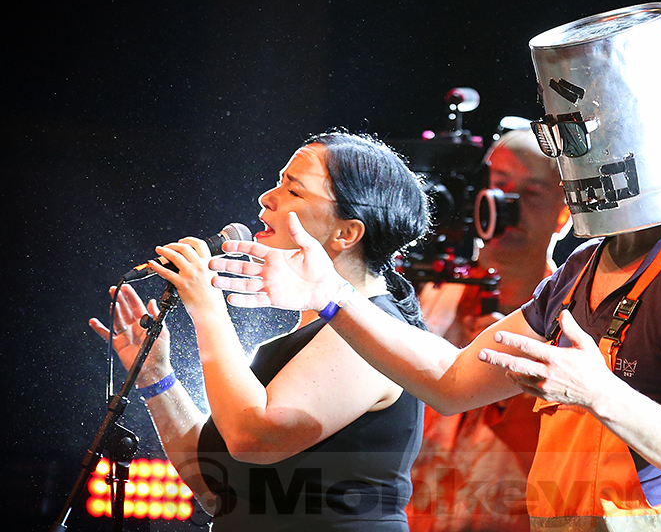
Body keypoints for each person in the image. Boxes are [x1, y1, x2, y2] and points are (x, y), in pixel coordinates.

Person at [210, 3, 661, 531]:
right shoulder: (583, 268)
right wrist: (332, 293)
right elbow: (450, 381)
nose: (567, 154)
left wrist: (601, 394)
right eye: (561, 133)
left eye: (574, 135)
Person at [89, 130, 432, 531]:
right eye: (279, 181)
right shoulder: (296, 340)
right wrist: (155, 377)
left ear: (346, 233)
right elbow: (215, 487)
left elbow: (254, 439)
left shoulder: (372, 333)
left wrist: (206, 302)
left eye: (294, 190)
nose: (266, 198)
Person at [408, 125, 570, 532]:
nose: (506, 205)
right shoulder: (426, 297)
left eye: (530, 194)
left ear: (565, 212)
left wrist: (507, 384)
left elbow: (564, 458)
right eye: (499, 186)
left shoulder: (576, 321)